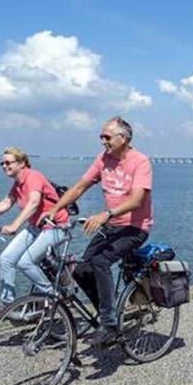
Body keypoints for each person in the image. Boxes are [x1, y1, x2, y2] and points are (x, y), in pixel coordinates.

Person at [40, 116, 153, 347]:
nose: (102, 141)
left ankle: (109, 325)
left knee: (100, 262)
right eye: (101, 136)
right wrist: (55, 209)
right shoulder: (103, 159)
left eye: (107, 137)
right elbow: (80, 186)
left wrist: (106, 214)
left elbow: (137, 200)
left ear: (123, 138)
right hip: (110, 226)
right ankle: (106, 314)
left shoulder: (140, 162)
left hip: (134, 228)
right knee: (81, 271)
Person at [0, 147, 69, 304]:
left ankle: (55, 297)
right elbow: (6, 203)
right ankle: (8, 305)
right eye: (1, 163)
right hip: (36, 228)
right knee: (6, 259)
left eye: (8, 162)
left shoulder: (33, 177)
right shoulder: (18, 184)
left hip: (55, 227)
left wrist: (15, 225)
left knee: (25, 262)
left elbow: (34, 202)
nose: (4, 166)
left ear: (22, 163)